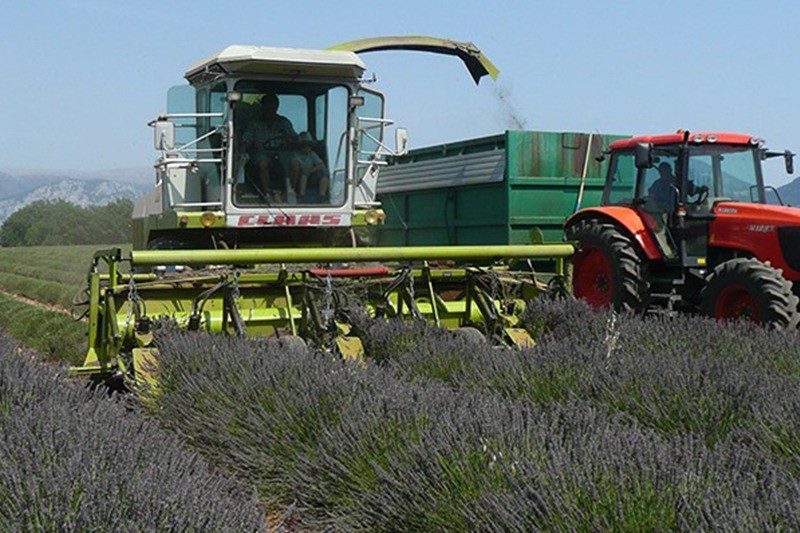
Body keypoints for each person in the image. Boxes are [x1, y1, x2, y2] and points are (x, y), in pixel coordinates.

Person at [241, 92, 297, 200]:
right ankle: (267, 193)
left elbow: (293, 138)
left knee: (294, 163)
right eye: (268, 106)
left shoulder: (284, 123)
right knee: (263, 163)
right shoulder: (255, 123)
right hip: (261, 153)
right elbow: (246, 140)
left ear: (277, 107)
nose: (270, 109)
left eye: (273, 106)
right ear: (263, 106)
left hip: (282, 153)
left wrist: (290, 141)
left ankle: (290, 192)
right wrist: (243, 150)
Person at [290, 131, 329, 203]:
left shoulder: (312, 154)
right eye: (304, 145)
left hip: (311, 175)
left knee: (324, 175)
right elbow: (294, 167)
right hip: (298, 178)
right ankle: (301, 196)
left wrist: (312, 170)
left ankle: (322, 197)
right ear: (300, 146)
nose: (306, 147)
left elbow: (320, 165)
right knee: (304, 175)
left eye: (309, 145)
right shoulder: (295, 154)